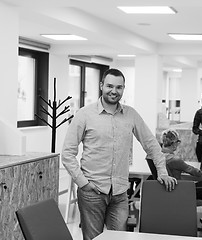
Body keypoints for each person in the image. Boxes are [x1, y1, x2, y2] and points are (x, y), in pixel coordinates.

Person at [61, 68, 177, 240]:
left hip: (120, 193)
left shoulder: (131, 115)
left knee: (118, 238)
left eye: (119, 87)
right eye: (109, 86)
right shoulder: (85, 114)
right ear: (101, 85)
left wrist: (162, 172)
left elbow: (151, 145)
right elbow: (67, 153)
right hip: (92, 191)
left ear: (123, 89)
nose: (114, 91)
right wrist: (83, 183)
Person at [160, 129, 202, 235]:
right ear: (174, 144)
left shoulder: (158, 157)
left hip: (166, 191)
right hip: (178, 192)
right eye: (178, 142)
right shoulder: (175, 160)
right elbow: (195, 172)